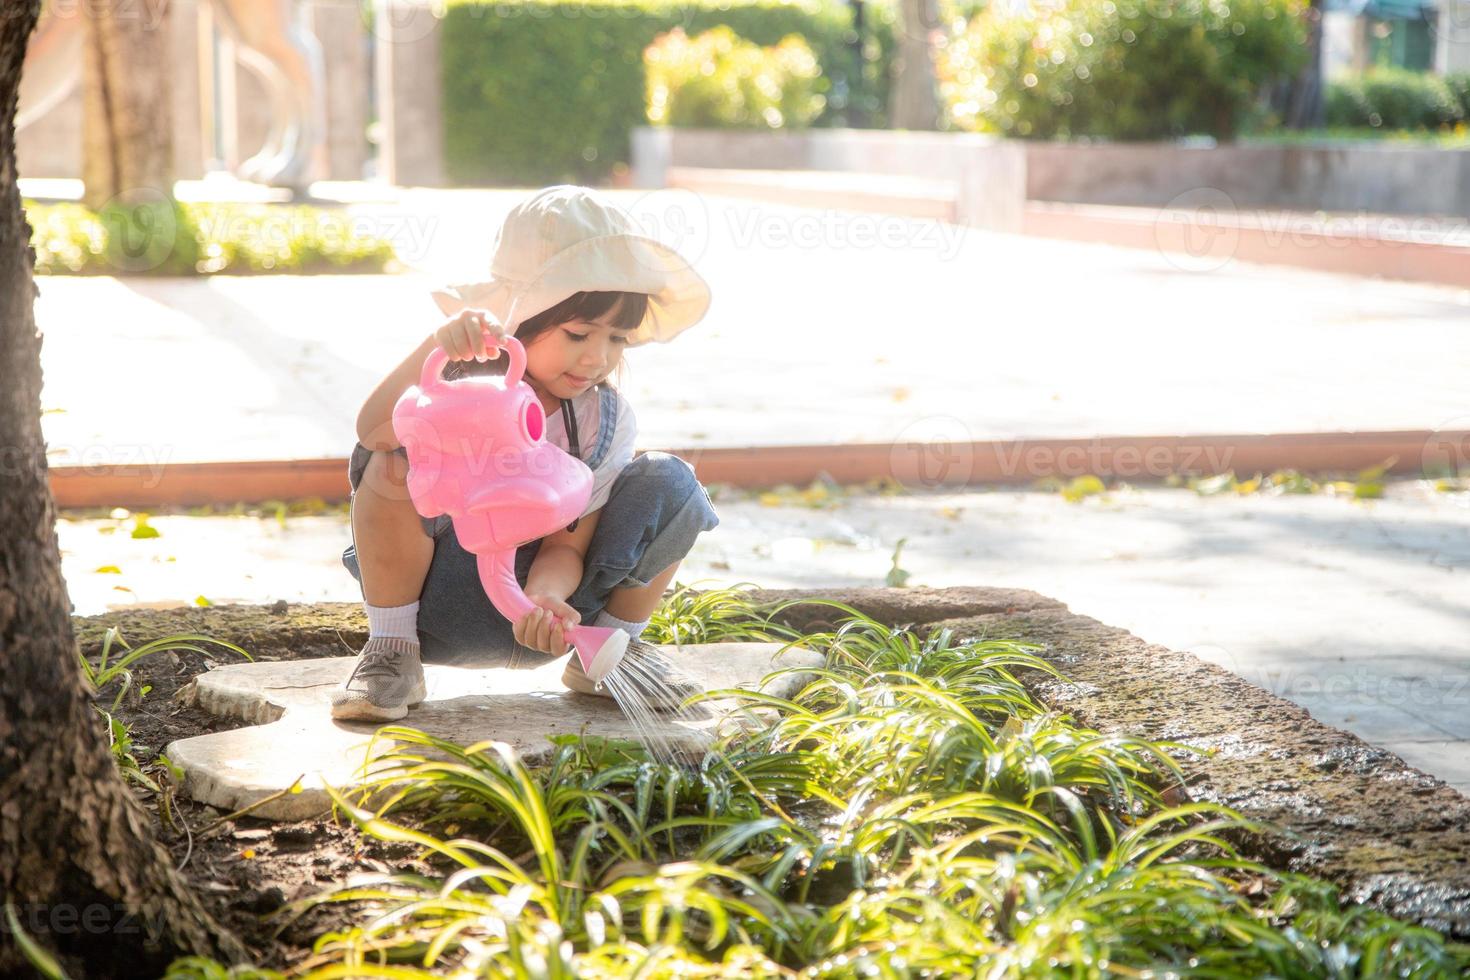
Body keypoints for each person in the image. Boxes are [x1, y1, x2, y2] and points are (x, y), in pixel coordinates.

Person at [333, 185, 719, 722]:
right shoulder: (455, 390)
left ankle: (607, 654)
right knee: (390, 460)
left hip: (555, 619)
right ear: (522, 318)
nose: (597, 358)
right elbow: (373, 430)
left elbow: (567, 545)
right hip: (447, 606)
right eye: (580, 333)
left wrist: (544, 601)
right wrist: (438, 349)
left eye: (617, 340)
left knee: (671, 480)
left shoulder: (604, 420)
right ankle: (392, 654)